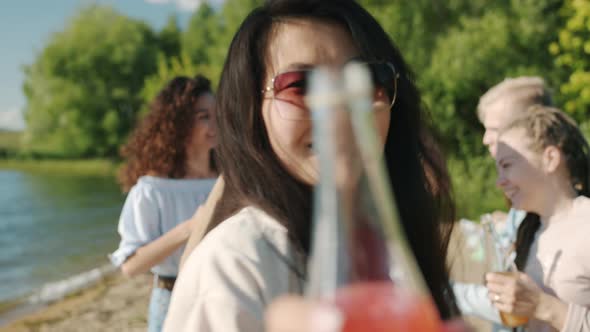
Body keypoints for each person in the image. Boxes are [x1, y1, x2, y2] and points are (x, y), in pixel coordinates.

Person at [109, 76, 217, 332]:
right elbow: (131, 266)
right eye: (204, 116)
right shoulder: (152, 190)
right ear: (178, 124)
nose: (217, 123)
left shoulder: (232, 179)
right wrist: (190, 228)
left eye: (218, 113)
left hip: (223, 297)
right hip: (172, 301)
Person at [452, 76, 553, 331]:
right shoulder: (521, 203)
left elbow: (522, 301)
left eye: (494, 130)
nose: (486, 139)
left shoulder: (554, 212)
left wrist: (446, 292)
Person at [486, 105, 590, 331]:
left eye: (507, 165)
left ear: (550, 158)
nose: (499, 182)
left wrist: (544, 306)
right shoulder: (529, 230)